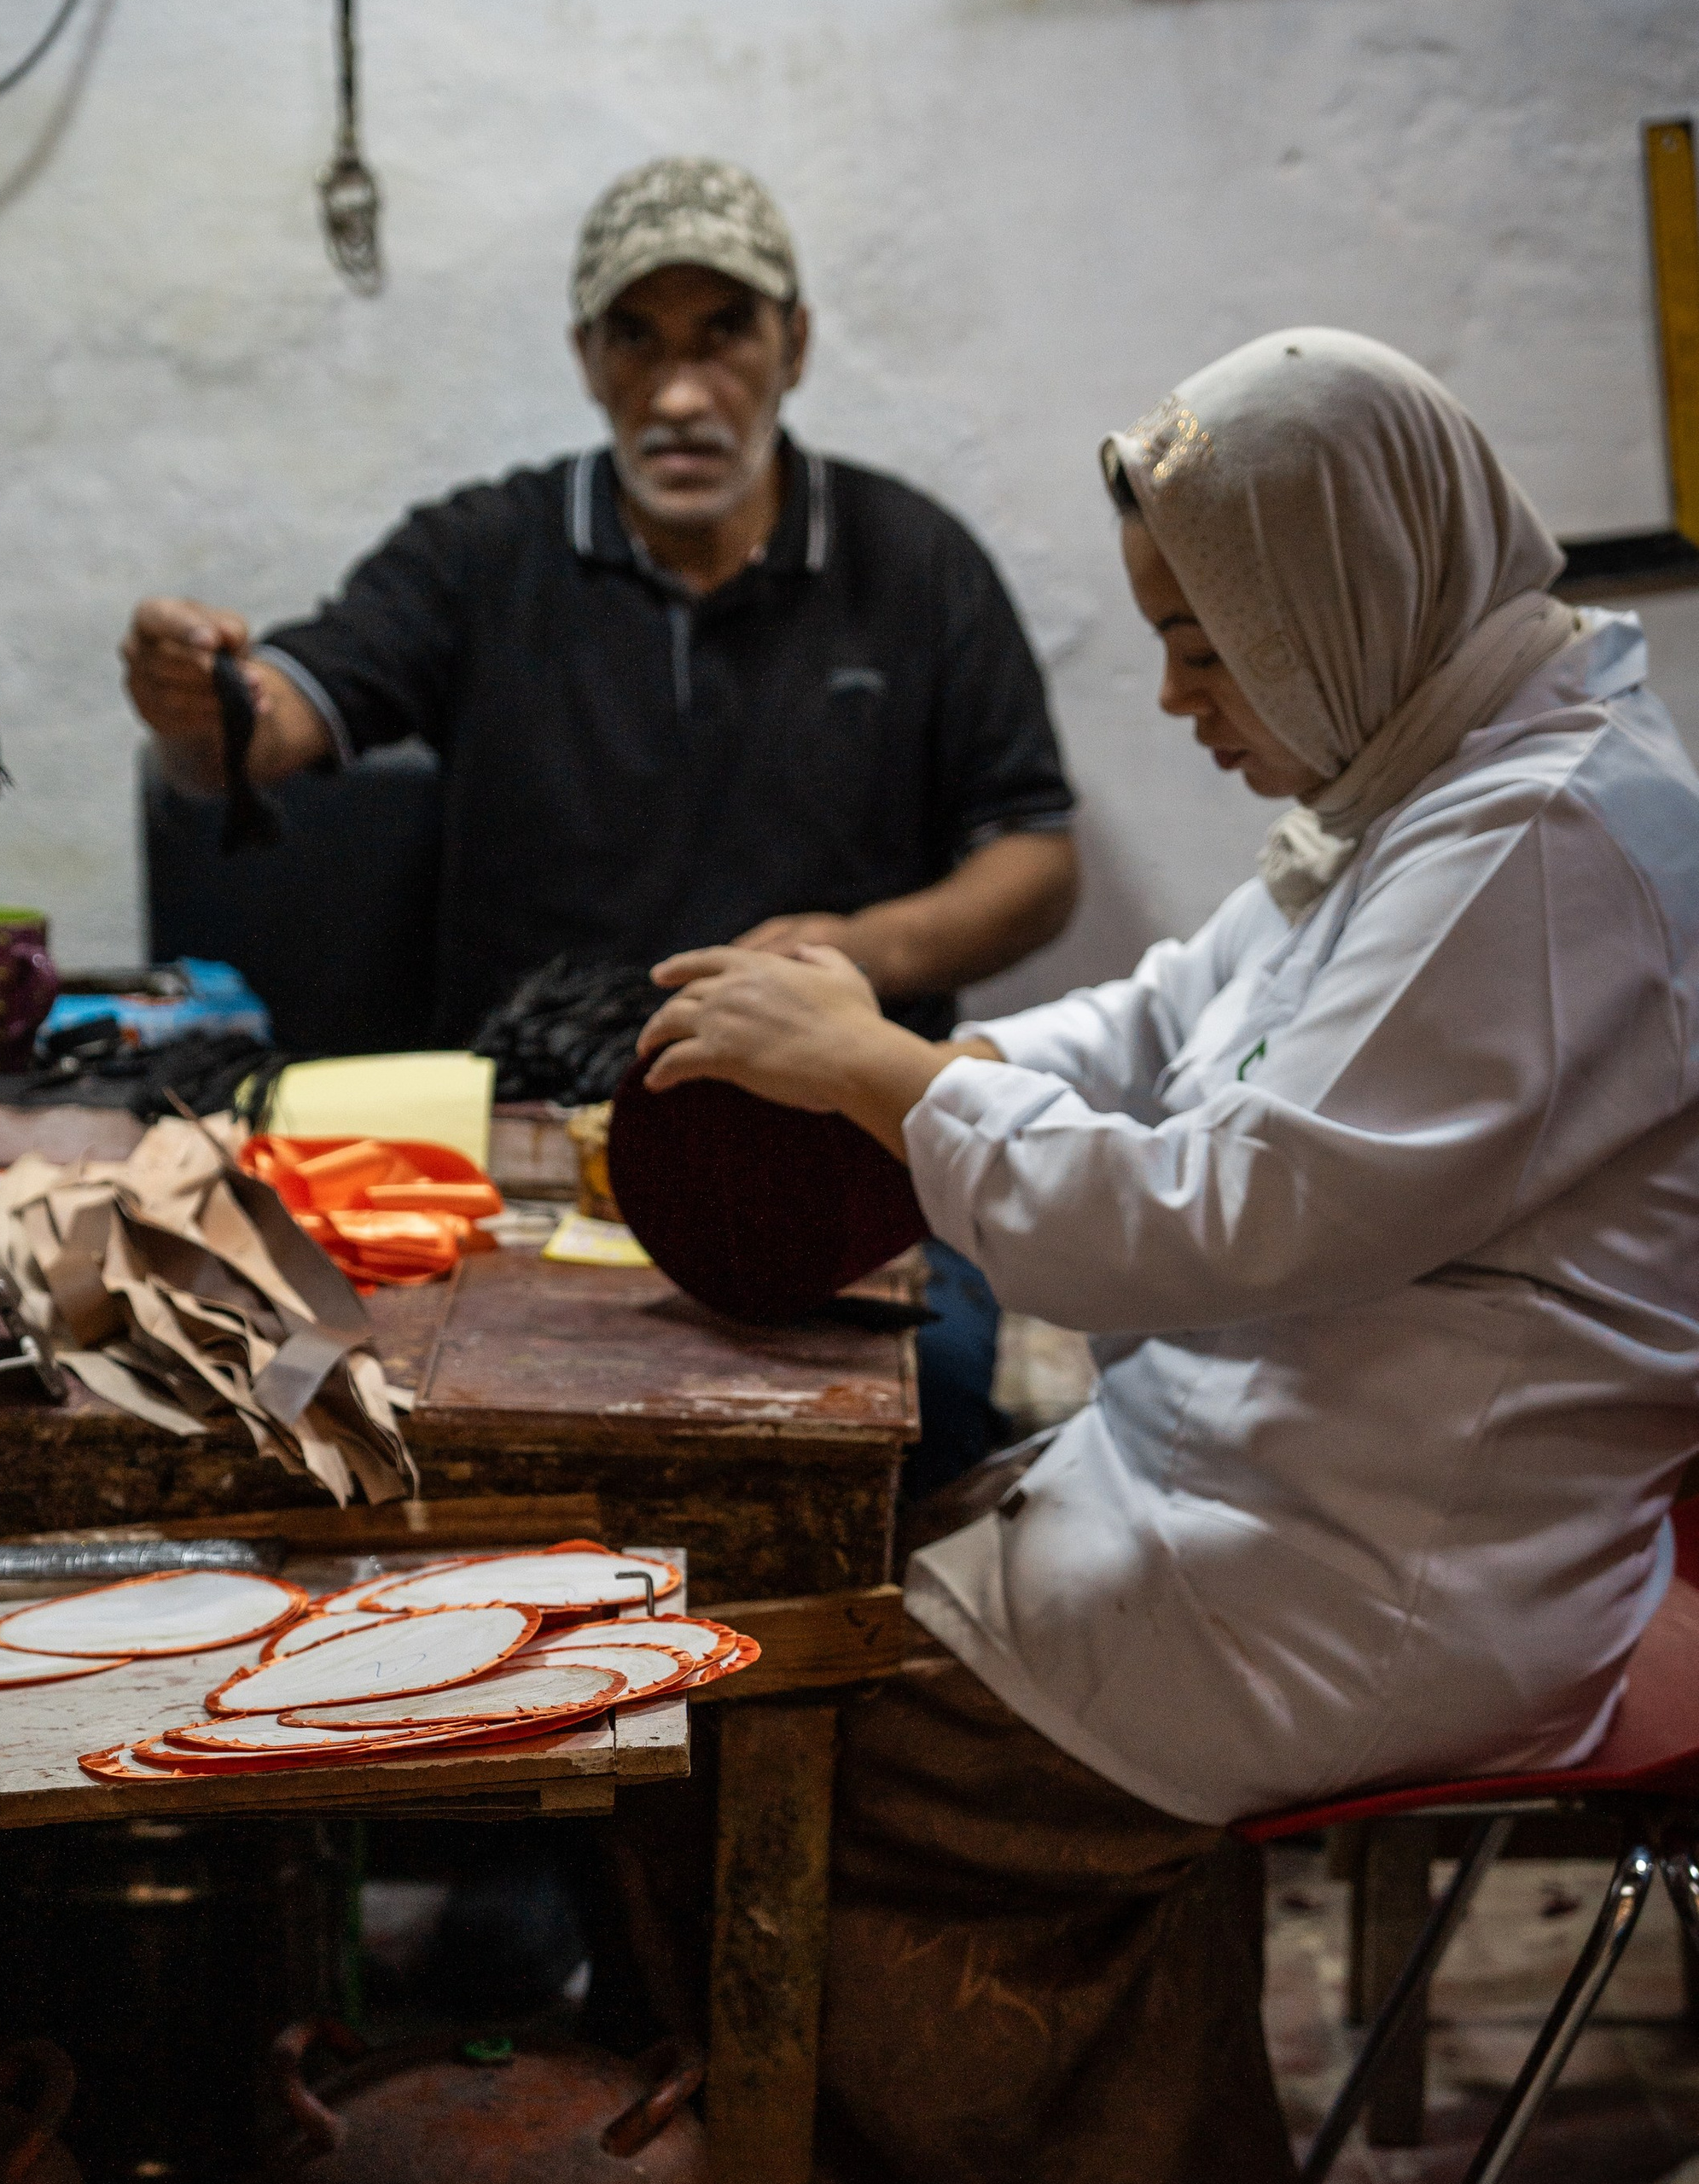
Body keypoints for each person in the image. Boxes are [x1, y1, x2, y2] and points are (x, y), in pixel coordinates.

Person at [636, 327, 1699, 2181]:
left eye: (1202, 644)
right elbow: (1159, 1014)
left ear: (1344, 598)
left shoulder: (1540, 845)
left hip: (1393, 1569)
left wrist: (885, 1077)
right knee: (776, 1641)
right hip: (1266, 1487)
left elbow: (1213, 1219)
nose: (1165, 696)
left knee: (777, 1756)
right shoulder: (1433, 772)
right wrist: (899, 1064)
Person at [123, 155, 1078, 1487]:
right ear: (586, 356)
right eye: (638, 338)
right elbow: (270, 720)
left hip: (844, 1139)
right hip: (528, 1146)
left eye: (725, 334)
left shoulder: (913, 562)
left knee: (931, 1420)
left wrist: (864, 953)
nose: (681, 392)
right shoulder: (483, 552)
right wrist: (194, 698)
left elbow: (1037, 857)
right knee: (386, 1423)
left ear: (794, 344)